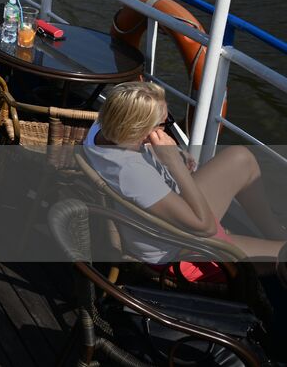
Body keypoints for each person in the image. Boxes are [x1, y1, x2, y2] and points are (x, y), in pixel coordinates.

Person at [84, 81, 286, 268]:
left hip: (166, 217)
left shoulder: (103, 125)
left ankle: (276, 237)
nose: (166, 128)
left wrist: (172, 152)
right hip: (176, 247)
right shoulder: (132, 173)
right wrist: (174, 165)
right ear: (140, 132)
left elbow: (131, 150)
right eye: (162, 124)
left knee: (241, 158)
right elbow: (205, 228)